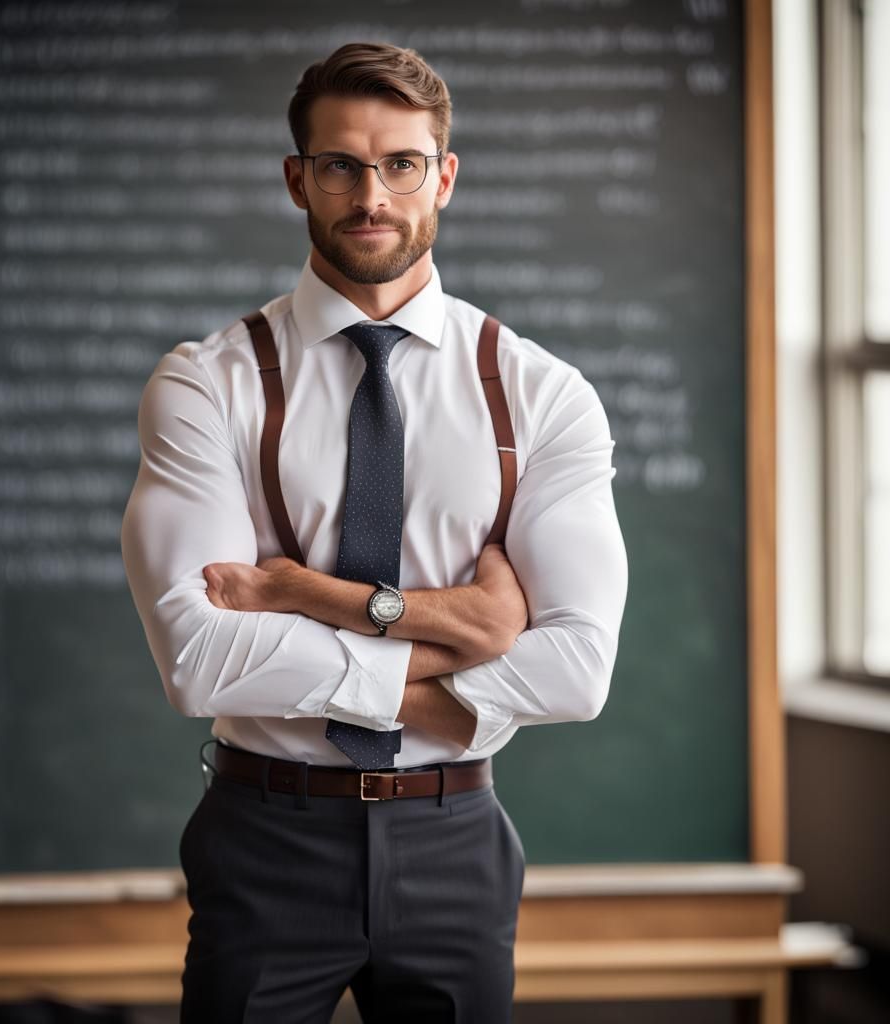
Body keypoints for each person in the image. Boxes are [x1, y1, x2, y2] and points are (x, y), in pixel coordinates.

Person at [120, 41, 628, 1024]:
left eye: (400, 163)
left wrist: (309, 596)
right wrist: (470, 635)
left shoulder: (540, 394)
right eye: (341, 165)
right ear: (296, 179)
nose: (372, 193)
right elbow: (199, 661)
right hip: (266, 833)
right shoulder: (206, 384)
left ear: (443, 176)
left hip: (455, 836)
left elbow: (576, 669)